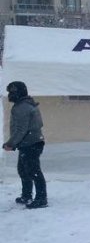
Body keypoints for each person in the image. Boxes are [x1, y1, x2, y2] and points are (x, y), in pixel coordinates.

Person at [3, 81, 48, 209]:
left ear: (19, 93)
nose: (10, 95)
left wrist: (11, 143)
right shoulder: (23, 104)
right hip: (29, 143)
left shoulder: (22, 107)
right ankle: (26, 195)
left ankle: (41, 199)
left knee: (33, 171)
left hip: (31, 143)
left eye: (12, 92)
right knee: (23, 170)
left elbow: (21, 129)